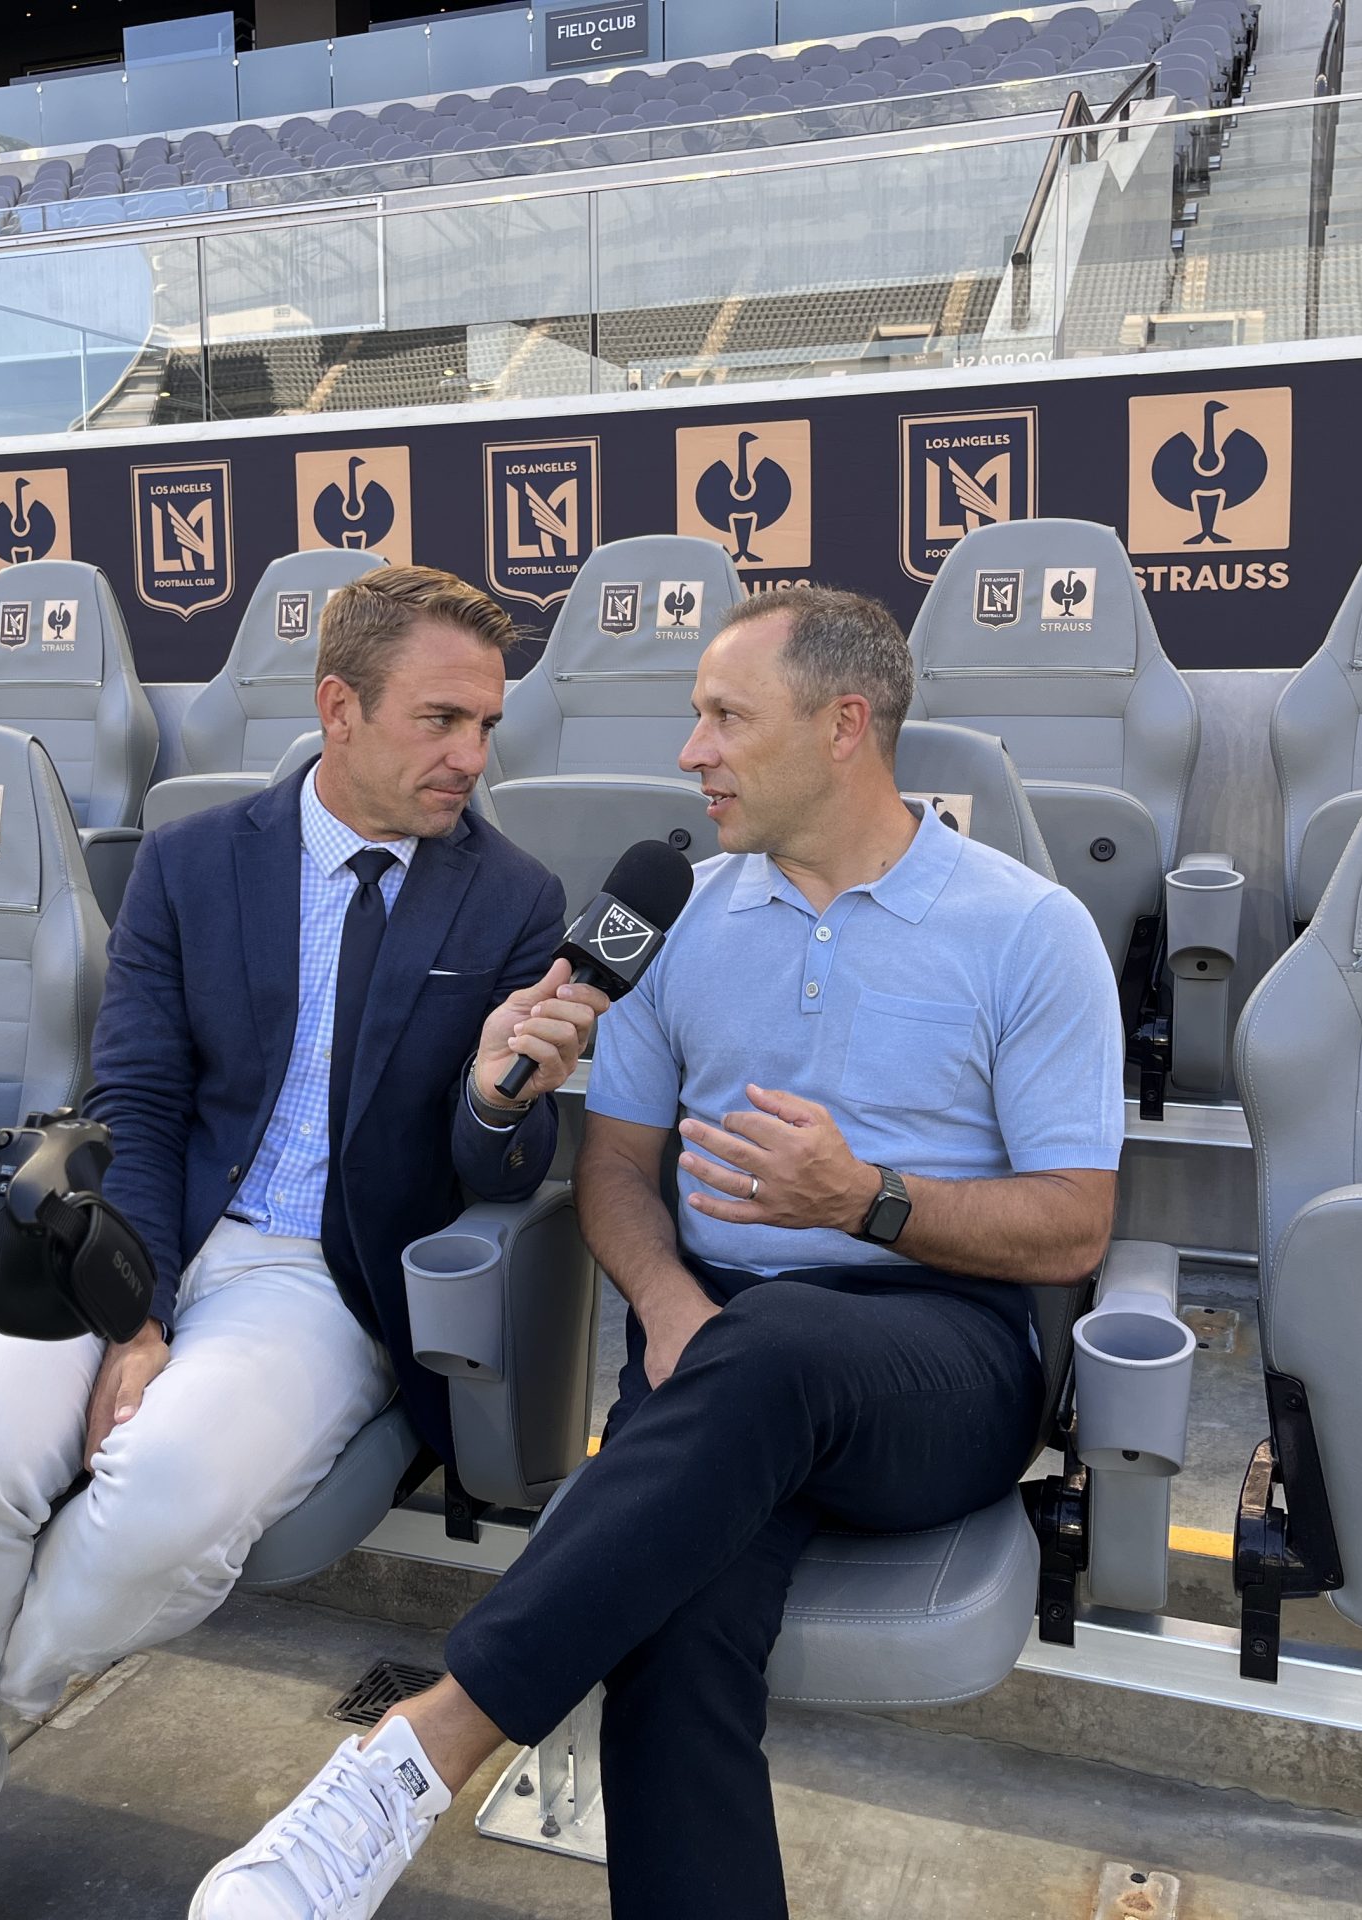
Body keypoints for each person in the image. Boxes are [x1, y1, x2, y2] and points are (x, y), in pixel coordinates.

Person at [194, 584, 1125, 1920]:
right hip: (712, 1351)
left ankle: (416, 1759)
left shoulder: (1030, 931)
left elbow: (1075, 1224)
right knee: (673, 1631)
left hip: (940, 1349)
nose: (693, 751)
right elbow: (620, 1173)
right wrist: (668, 1294)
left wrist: (865, 1201)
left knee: (787, 1347)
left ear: (845, 726)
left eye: (727, 717)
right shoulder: (667, 918)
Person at [0, 564, 608, 1920]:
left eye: (489, 724)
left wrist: (506, 1092)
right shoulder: (198, 860)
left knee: (158, 1508)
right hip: (142, 1231)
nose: (474, 755)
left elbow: (487, 1172)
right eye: (441, 720)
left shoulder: (509, 894)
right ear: (339, 707)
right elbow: (138, 1095)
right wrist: (131, 1317)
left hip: (323, 1277)